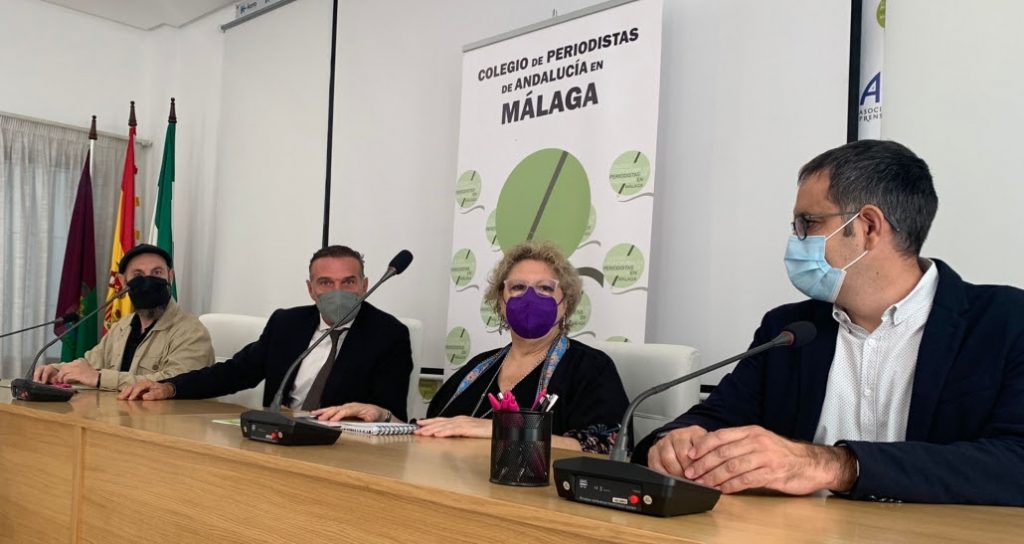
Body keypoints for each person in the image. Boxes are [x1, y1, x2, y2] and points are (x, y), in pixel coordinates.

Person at [635, 140, 1024, 505]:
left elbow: (1014, 462)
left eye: (808, 222)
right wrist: (677, 441)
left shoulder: (1006, 322)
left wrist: (834, 465)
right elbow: (715, 418)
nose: (796, 239)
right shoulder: (788, 329)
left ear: (868, 227)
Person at [314, 240, 629, 453]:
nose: (530, 297)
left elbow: (606, 446)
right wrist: (383, 418)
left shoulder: (590, 367)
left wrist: (497, 429)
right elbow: (430, 431)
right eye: (518, 287)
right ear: (501, 301)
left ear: (566, 302)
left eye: (545, 288)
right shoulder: (478, 368)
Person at [119, 245, 414, 420]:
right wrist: (170, 388)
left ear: (364, 285)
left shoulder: (389, 335)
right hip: (278, 439)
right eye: (326, 283)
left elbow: (391, 414)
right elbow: (234, 373)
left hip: (345, 450)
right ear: (311, 289)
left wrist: (376, 413)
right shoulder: (287, 323)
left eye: (348, 282)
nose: (338, 291)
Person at [34, 244, 214, 390]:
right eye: (138, 275)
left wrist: (100, 378)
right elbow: (90, 364)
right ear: (123, 282)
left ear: (170, 276)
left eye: (157, 272)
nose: (148, 280)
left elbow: (176, 383)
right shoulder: (122, 326)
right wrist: (57, 370)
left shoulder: (191, 331)